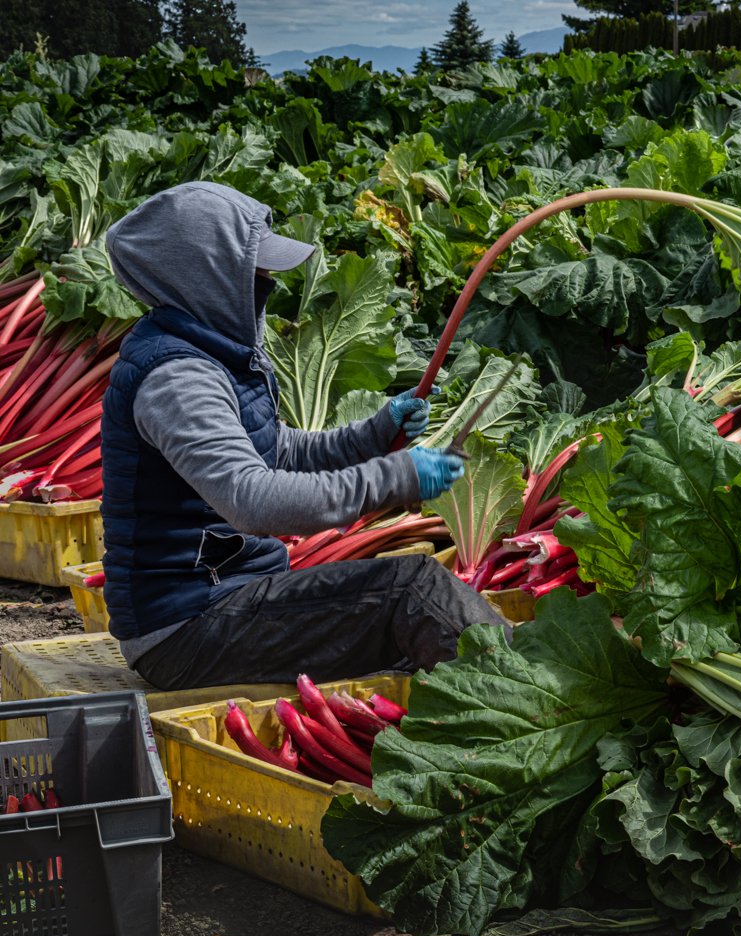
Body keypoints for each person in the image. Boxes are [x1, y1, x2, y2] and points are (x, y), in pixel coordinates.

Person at [100, 181, 503, 691]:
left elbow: (278, 450)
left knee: (413, 609)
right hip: (188, 629)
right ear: (206, 275)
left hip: (229, 599)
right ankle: (534, 701)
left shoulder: (207, 354)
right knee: (412, 591)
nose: (268, 280)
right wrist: (394, 476)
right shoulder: (177, 377)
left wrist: (372, 436)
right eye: (256, 268)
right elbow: (253, 499)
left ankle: (522, 697)